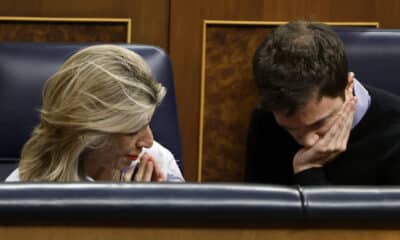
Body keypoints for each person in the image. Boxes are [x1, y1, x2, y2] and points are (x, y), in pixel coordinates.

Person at [246, 21, 400, 185]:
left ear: (348, 85)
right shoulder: (266, 118)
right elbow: (263, 208)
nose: (309, 142)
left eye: (319, 124)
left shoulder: (394, 129)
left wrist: (308, 169)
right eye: (291, 129)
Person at [5, 45, 184, 182]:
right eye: (132, 130)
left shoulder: (158, 161)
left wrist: (154, 209)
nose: (148, 141)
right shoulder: (28, 181)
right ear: (88, 132)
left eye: (147, 123)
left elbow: (185, 231)